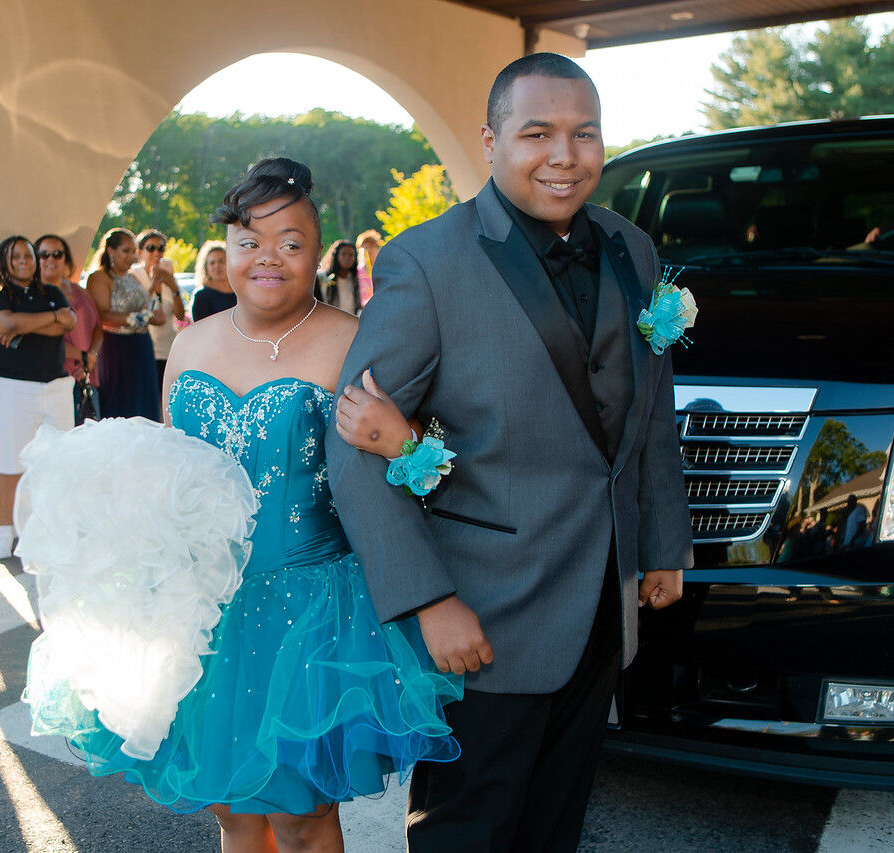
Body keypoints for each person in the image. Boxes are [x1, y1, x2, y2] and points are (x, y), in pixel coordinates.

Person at [22, 158, 459, 852]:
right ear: (226, 249)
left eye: (291, 241)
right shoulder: (191, 343)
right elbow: (169, 476)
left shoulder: (353, 341)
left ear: (319, 251)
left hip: (313, 613)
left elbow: (412, 461)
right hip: (205, 611)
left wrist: (404, 443)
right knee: (231, 812)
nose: (269, 257)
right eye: (250, 240)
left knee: (302, 815)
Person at [326, 54, 693, 852]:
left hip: (602, 601)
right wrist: (428, 600)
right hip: (483, 614)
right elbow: (352, 446)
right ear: (490, 142)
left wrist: (662, 539)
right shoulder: (426, 261)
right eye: (537, 133)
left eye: (583, 134)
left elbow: (650, 411)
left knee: (555, 825)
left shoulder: (631, 248)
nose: (565, 156)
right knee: (466, 832)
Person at [0, 236, 76, 560]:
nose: (25, 260)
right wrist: (51, 317)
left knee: (56, 463)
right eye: (16, 256)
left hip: (55, 388)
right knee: (9, 462)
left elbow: (69, 322)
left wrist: (24, 324)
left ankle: (46, 528)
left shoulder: (51, 292)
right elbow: (5, 322)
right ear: (4, 262)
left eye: (29, 255)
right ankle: (5, 530)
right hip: (11, 388)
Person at [85, 228, 165, 420]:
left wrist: (153, 302)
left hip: (142, 345)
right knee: (120, 404)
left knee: (144, 404)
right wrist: (137, 317)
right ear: (111, 251)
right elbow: (102, 315)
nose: (132, 256)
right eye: (126, 251)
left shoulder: (132, 277)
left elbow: (150, 310)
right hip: (116, 347)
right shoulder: (100, 278)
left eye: (133, 251)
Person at [35, 234, 101, 425]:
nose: (51, 259)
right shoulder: (34, 295)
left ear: (66, 258)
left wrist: (91, 356)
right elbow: (42, 337)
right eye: (44, 254)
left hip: (86, 377)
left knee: (89, 436)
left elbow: (98, 328)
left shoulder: (79, 291)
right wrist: (83, 356)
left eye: (57, 254)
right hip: (56, 380)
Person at [132, 229, 186, 388]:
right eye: (151, 248)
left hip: (168, 349)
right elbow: (136, 310)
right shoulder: (134, 276)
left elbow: (180, 316)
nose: (156, 252)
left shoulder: (168, 274)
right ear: (140, 252)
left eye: (161, 248)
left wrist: (173, 287)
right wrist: (153, 287)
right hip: (143, 349)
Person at [189, 239, 234, 321]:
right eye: (212, 263)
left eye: (221, 261)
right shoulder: (201, 296)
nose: (217, 266)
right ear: (206, 267)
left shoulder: (240, 292)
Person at [315, 239, 361, 315]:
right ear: (336, 256)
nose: (347, 258)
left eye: (351, 255)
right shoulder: (323, 278)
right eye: (343, 254)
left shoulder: (356, 281)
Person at [354, 230, 381, 305]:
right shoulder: (356, 272)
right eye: (366, 248)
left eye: (372, 247)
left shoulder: (383, 269)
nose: (369, 251)